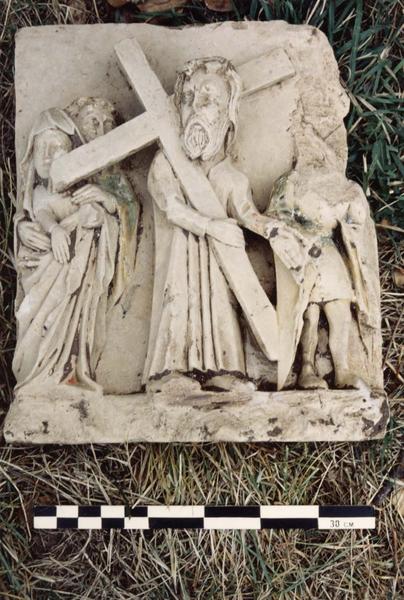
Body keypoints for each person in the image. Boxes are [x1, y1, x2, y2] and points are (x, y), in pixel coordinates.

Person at [144, 57, 282, 393]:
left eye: (208, 100)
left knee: (221, 304)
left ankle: (225, 368)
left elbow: (249, 215)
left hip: (220, 262)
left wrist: (276, 231)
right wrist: (211, 226)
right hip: (180, 260)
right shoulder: (166, 163)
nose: (195, 109)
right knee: (180, 301)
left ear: (226, 115)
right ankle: (172, 371)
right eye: (188, 99)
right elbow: (172, 207)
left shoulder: (231, 177)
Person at [12, 107, 130, 391]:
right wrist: (25, 228)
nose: (49, 156)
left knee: (75, 317)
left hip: (79, 281)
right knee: (41, 316)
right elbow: (34, 213)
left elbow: (121, 213)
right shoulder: (39, 193)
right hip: (48, 272)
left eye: (58, 147)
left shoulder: (103, 181)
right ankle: (41, 371)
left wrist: (106, 207)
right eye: (92, 123)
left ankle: (71, 369)